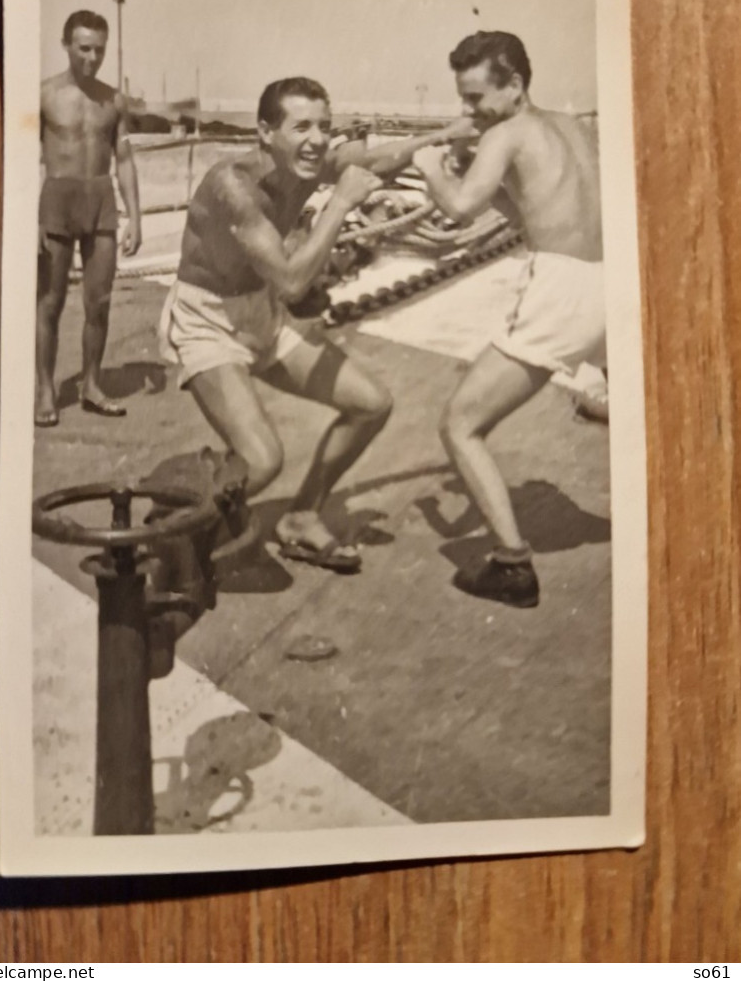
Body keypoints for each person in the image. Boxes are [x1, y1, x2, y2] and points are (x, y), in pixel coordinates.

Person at [160, 76, 468, 571]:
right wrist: (342, 203)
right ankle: (170, 518)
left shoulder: (304, 163)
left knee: (371, 405)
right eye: (301, 126)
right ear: (265, 132)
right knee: (262, 460)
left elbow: (380, 161)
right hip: (208, 320)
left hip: (261, 312)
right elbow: (291, 282)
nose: (318, 139)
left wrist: (446, 135)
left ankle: (301, 517)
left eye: (324, 126)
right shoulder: (232, 186)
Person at [413, 31, 605, 608]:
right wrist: (479, 172)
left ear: (515, 85)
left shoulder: (507, 131)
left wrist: (430, 166)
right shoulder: (573, 126)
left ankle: (512, 566)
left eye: (475, 98)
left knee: (459, 424)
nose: (467, 112)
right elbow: (536, 206)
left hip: (563, 289)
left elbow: (461, 208)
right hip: (616, 279)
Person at [36, 10, 142, 427]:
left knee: (99, 302)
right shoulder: (43, 95)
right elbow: (21, 158)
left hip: (100, 198)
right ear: (66, 45)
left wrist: (135, 216)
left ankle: (92, 385)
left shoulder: (113, 100)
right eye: (84, 48)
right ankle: (46, 388)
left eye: (99, 50)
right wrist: (30, 217)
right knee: (50, 303)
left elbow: (126, 159)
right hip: (57, 199)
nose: (92, 58)